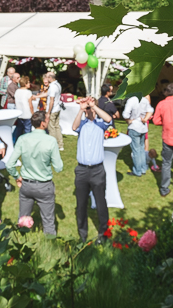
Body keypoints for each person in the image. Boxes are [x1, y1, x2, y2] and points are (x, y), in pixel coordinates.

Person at [6, 110, 63, 235]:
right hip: (44, 186)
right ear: (42, 123)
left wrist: (16, 176)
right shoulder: (51, 141)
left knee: (23, 220)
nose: (48, 121)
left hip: (26, 185)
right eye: (47, 120)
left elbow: (10, 164)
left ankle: (20, 244)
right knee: (48, 221)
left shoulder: (22, 139)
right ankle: (50, 249)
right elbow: (59, 167)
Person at [73, 97, 113, 243]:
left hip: (97, 170)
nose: (89, 111)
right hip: (82, 170)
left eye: (90, 109)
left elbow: (109, 119)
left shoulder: (100, 124)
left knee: (101, 203)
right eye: (88, 109)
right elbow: (73, 127)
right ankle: (82, 235)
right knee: (81, 204)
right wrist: (81, 110)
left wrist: (93, 106)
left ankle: (104, 234)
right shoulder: (82, 124)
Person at [36, 72, 64, 151]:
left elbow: (51, 100)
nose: (46, 78)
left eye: (47, 77)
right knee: (57, 127)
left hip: (53, 109)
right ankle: (60, 144)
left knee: (51, 128)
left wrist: (48, 112)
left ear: (50, 78)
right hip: (57, 108)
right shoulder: (58, 84)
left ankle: (53, 145)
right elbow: (47, 94)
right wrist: (37, 96)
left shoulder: (52, 87)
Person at [123, 94, 149, 177]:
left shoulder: (131, 100)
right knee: (141, 149)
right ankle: (143, 169)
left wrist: (129, 120)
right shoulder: (145, 100)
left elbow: (125, 114)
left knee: (136, 151)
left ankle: (137, 171)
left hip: (134, 127)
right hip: (143, 127)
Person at [13, 76, 33, 143]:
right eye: (28, 83)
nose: (29, 84)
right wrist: (32, 113)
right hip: (27, 114)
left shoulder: (17, 91)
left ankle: (16, 142)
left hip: (19, 114)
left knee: (19, 130)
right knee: (27, 131)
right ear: (25, 84)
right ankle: (27, 144)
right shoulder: (28, 92)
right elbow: (30, 105)